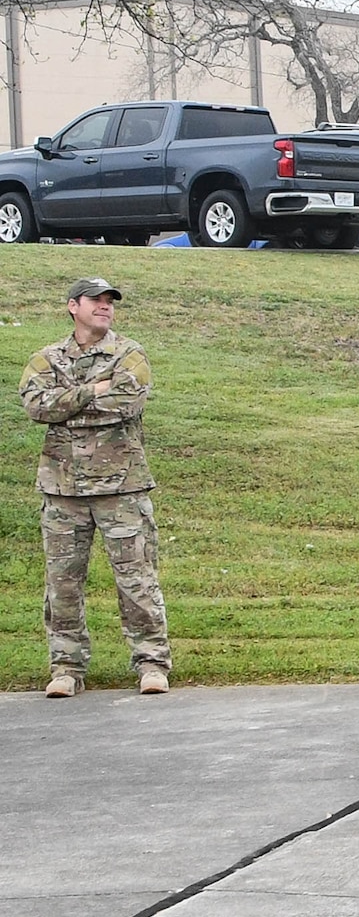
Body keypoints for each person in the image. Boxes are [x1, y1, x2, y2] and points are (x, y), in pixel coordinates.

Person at [19, 276, 170, 698]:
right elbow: (35, 406)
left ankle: (152, 663)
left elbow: (126, 404)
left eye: (109, 302)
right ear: (73, 306)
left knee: (137, 580)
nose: (105, 307)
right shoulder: (45, 358)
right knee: (62, 583)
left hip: (121, 489)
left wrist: (68, 401)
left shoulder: (129, 354)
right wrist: (93, 390)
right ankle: (65, 667)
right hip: (62, 491)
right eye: (96, 300)